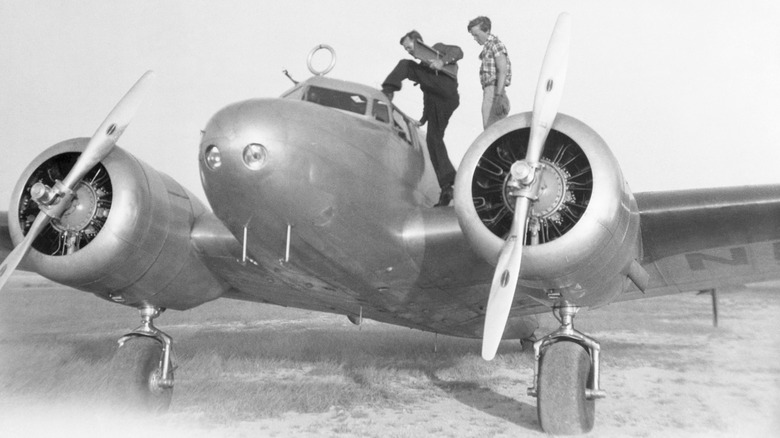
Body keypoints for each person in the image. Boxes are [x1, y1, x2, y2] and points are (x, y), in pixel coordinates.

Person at [381, 30, 463, 207]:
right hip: (439, 102)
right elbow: (428, 95)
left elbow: (458, 51)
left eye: (409, 47)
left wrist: (442, 61)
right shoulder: (425, 70)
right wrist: (423, 119)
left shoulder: (438, 49)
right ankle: (448, 185)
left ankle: (388, 90)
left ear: (417, 42)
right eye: (406, 49)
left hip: (447, 91)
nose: (409, 51)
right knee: (434, 140)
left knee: (405, 65)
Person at [467, 16, 512, 128]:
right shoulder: (487, 47)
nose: (475, 38)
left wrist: (498, 97)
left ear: (486, 30)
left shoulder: (496, 44)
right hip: (491, 92)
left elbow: (502, 70)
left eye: (476, 35)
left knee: (492, 135)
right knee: (491, 133)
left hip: (494, 92)